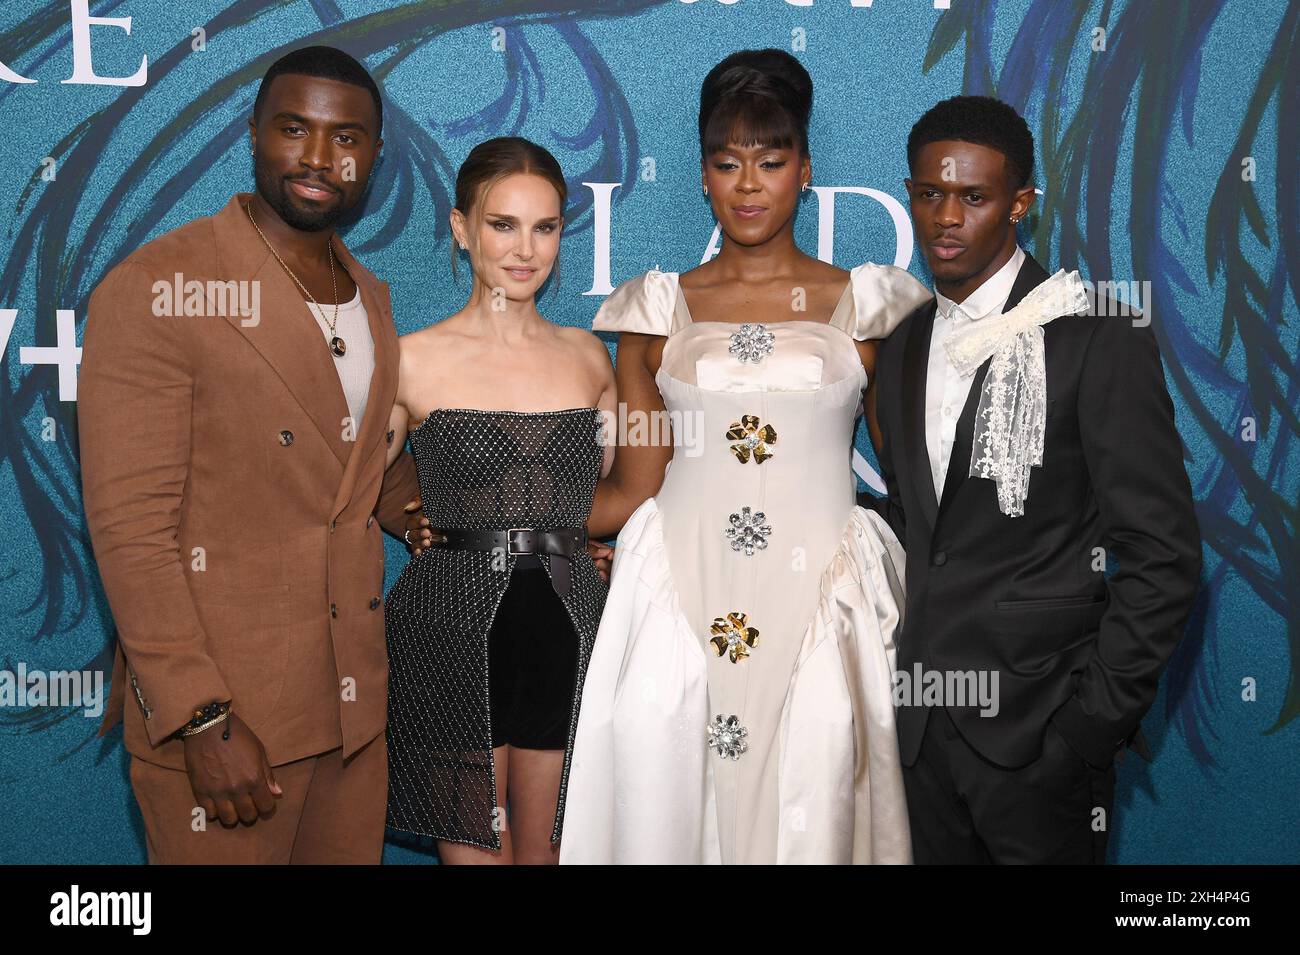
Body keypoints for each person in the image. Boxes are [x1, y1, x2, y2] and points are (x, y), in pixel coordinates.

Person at [557, 49, 931, 864]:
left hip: (827, 594)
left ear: (804, 169)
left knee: (819, 797)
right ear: (701, 175)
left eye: (770, 160)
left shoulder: (873, 306)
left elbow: (917, 482)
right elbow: (633, 481)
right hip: (678, 591)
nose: (749, 183)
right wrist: (520, 515)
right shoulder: (657, 310)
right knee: (672, 805)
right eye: (728, 163)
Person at [79, 46, 422, 864]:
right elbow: (130, 528)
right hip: (232, 731)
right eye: (294, 129)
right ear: (254, 134)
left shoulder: (369, 296)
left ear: (373, 156)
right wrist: (201, 717)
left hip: (351, 724)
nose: (318, 158)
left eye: (347, 138)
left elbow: (365, 483)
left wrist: (524, 538)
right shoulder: (163, 284)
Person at [862, 95, 1202, 864]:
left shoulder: (1098, 335)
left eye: (974, 197)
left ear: (1020, 204)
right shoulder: (906, 342)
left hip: (1042, 738)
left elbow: (1164, 555)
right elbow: (927, 530)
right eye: (929, 194)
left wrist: (1087, 727)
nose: (946, 218)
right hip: (920, 740)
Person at [383, 137, 616, 864]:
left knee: (547, 850)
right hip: (449, 626)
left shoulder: (588, 355)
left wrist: (600, 545)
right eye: (502, 224)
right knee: (475, 851)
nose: (525, 249)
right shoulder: (412, 356)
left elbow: (617, 491)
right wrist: (409, 517)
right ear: (461, 228)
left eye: (544, 227)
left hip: (567, 623)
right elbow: (340, 481)